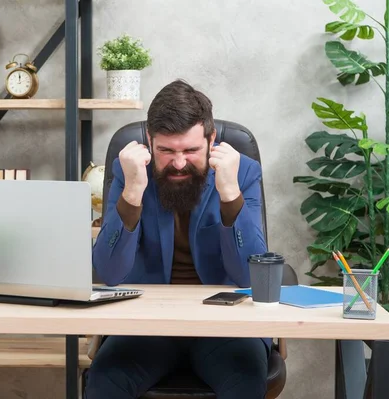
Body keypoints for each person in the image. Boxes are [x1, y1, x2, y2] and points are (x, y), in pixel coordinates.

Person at [85, 79, 270, 399]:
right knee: (103, 382)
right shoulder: (129, 171)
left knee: (247, 383)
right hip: (147, 326)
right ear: (148, 141)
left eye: (191, 150)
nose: (179, 162)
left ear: (212, 141)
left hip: (225, 328)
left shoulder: (242, 172)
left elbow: (248, 275)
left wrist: (230, 193)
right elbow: (109, 272)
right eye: (166, 151)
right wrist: (132, 191)